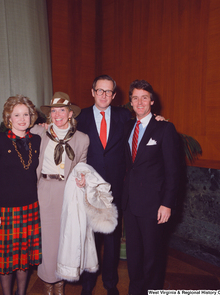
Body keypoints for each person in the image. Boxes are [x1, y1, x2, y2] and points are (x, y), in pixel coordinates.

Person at [0, 92, 90, 295]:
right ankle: (49, 282)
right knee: (47, 243)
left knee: (65, 241)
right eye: (53, 111)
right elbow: (12, 132)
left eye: (62, 110)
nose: (57, 114)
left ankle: (61, 282)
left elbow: (82, 167)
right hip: (42, 191)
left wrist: (84, 178)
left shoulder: (82, 139)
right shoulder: (40, 133)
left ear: (70, 113)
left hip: (68, 193)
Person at [122, 80, 180, 295]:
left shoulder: (164, 128)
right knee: (134, 256)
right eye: (135, 98)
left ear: (152, 101)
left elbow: (173, 172)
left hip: (154, 205)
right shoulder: (127, 126)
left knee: (153, 257)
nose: (139, 102)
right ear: (130, 102)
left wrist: (167, 203)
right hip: (130, 203)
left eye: (144, 97)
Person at [76, 75, 131, 295]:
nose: (104, 95)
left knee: (112, 237)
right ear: (92, 92)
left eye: (108, 92)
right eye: (100, 91)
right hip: (88, 187)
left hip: (115, 187)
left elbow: (144, 125)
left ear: (114, 95)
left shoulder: (124, 116)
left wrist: (160, 121)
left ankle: (110, 282)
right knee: (90, 237)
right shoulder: (80, 117)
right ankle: (87, 283)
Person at [0, 95, 41, 295]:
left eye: (26, 114)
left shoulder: (37, 140)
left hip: (31, 208)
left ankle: (22, 293)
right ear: (9, 118)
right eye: (17, 115)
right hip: (5, 211)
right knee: (7, 262)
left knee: (24, 260)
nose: (22, 119)